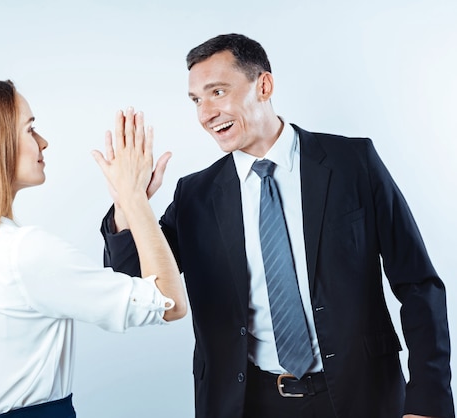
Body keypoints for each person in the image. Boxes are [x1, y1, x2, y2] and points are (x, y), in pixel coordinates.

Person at [98, 34, 454, 417]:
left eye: (217, 92)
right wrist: (129, 200)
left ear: (263, 85)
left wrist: (428, 401)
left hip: (362, 395)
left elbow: (418, 285)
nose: (205, 114)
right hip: (248, 402)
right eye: (197, 100)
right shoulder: (196, 195)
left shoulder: (353, 163)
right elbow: (135, 283)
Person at [0, 79, 186, 418]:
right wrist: (134, 198)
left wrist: (126, 210)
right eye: (30, 129)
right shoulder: (25, 253)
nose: (43, 142)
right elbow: (168, 303)